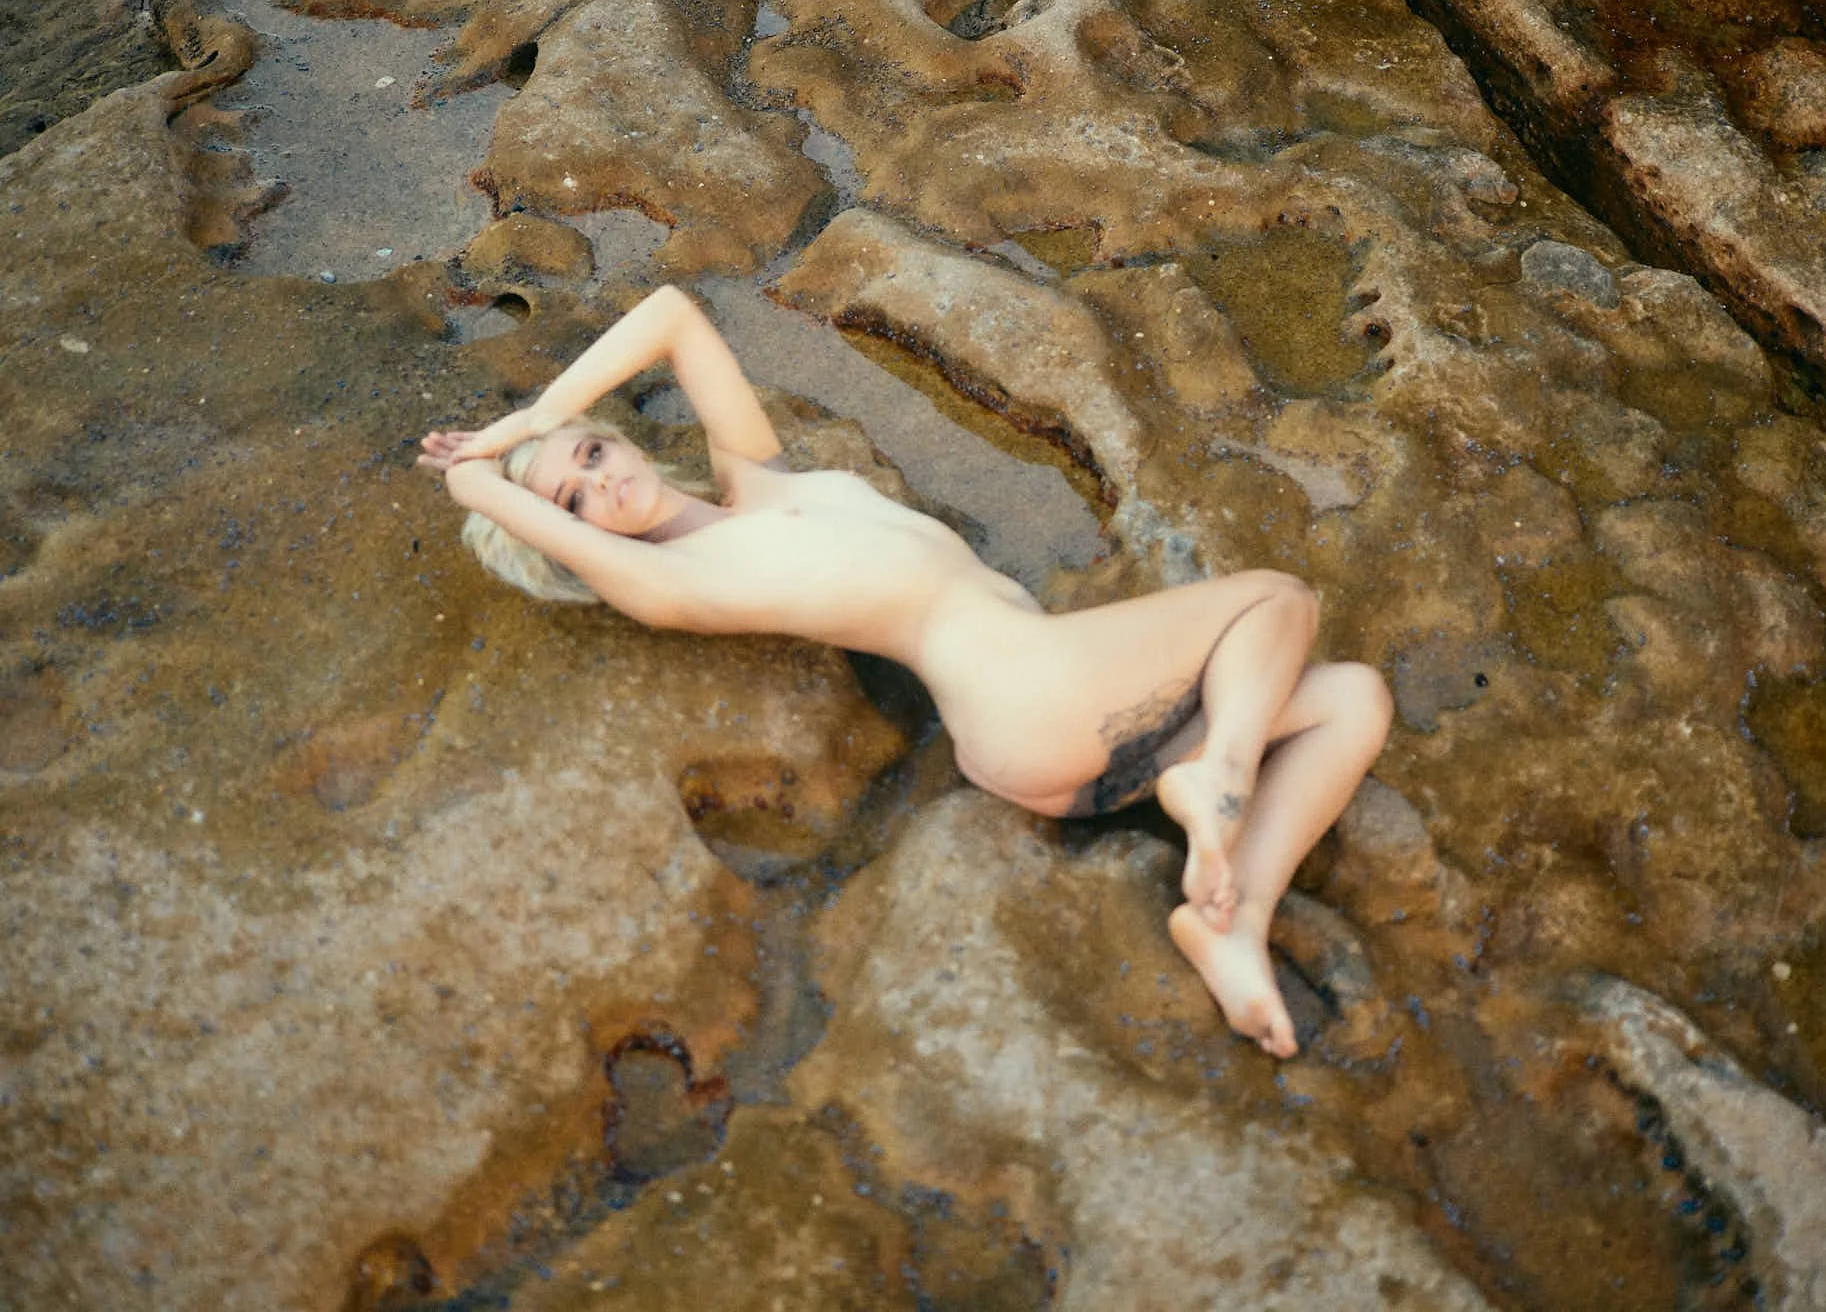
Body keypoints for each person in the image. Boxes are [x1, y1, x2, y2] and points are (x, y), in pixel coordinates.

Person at [418, 285, 1392, 1057]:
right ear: (571, 544)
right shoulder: (670, 581)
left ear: (619, 431)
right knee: (1275, 600)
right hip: (1027, 690)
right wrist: (491, 460)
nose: (600, 481)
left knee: (1351, 700)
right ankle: (1217, 780)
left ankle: (1233, 921)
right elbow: (471, 486)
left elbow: (674, 312)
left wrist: (542, 413)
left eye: (593, 451)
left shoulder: (758, 477)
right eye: (575, 504)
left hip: (1054, 736)